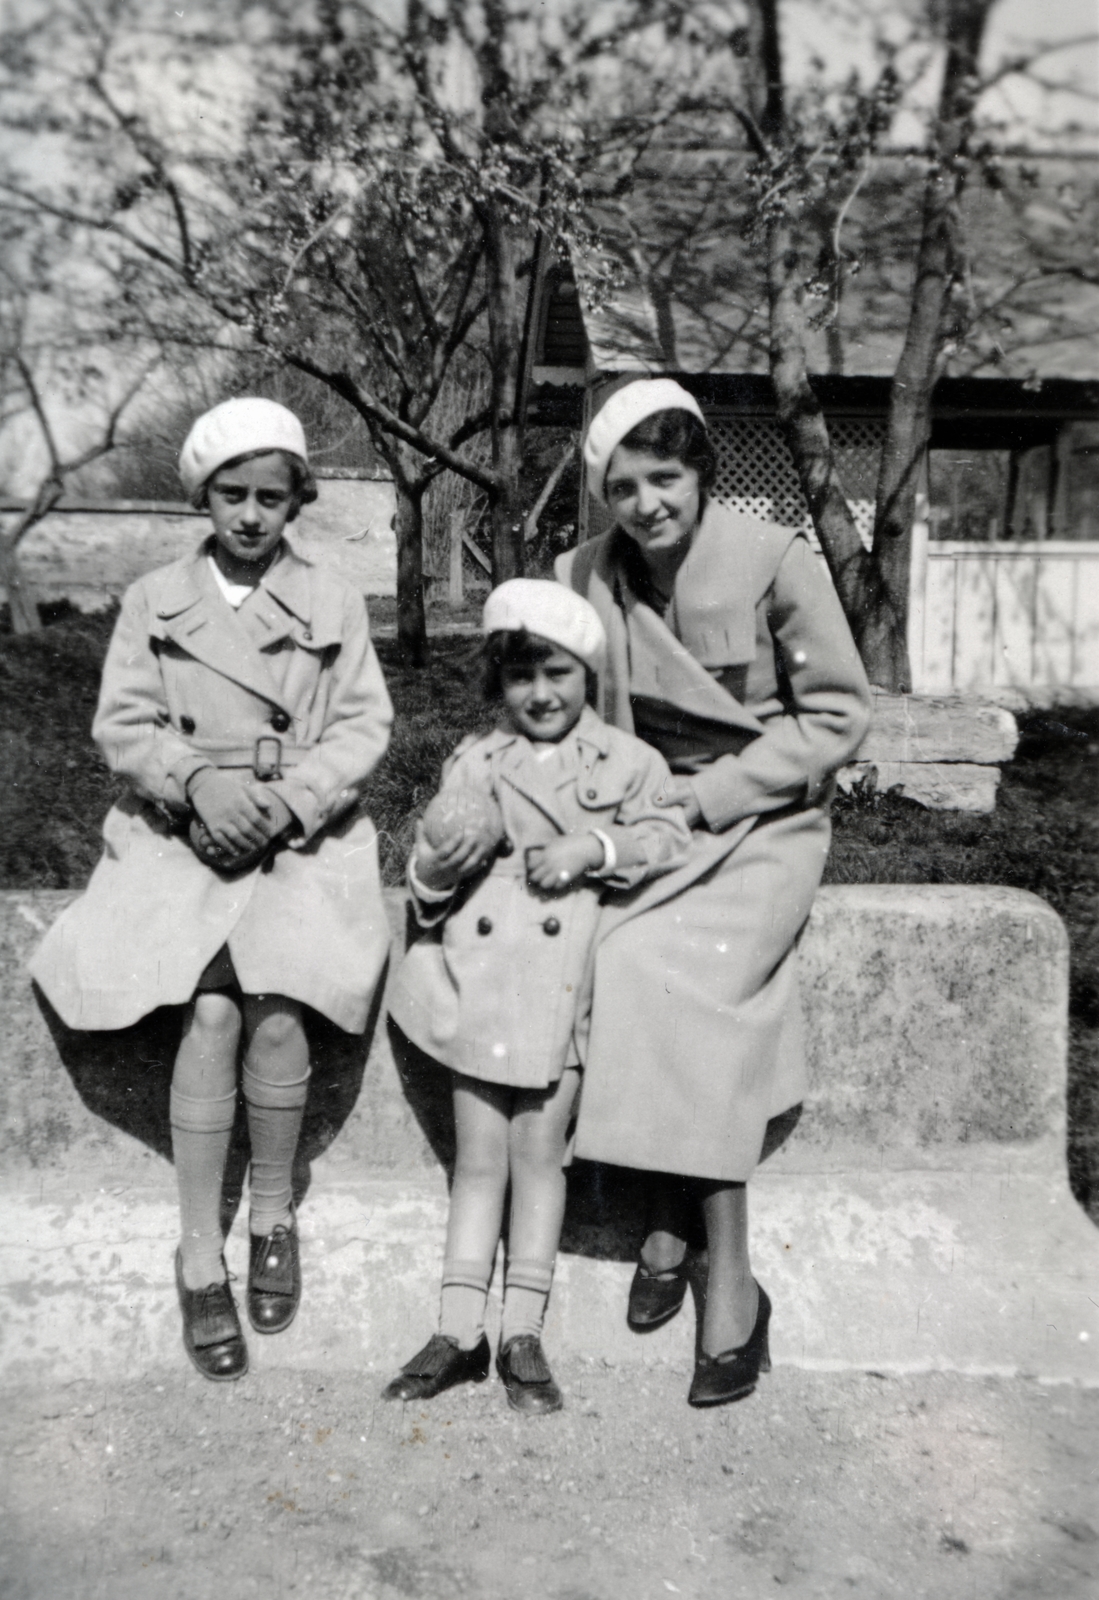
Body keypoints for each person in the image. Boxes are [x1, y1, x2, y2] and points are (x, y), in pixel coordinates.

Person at [30, 398, 393, 1381]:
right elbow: (123, 724)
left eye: (270, 497)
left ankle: (271, 1209)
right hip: (181, 831)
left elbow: (360, 728)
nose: (249, 515)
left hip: (296, 834)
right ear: (202, 496)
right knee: (211, 1013)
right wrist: (195, 783)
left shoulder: (334, 600)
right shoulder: (155, 598)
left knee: (279, 1008)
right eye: (231, 494)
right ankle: (199, 1249)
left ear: (297, 502)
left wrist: (293, 800)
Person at [557, 378, 872, 1407]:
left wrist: (716, 797)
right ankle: (664, 1213)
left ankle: (725, 1271)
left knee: (688, 974)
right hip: (649, 822)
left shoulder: (771, 557)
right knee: (594, 952)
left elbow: (833, 718)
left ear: (703, 473)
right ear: (602, 491)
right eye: (627, 484)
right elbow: (564, 724)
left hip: (764, 818)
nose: (649, 502)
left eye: (668, 476)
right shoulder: (581, 576)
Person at [384, 579, 690, 1414]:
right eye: (520, 677)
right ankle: (456, 1331)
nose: (541, 694)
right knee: (476, 1161)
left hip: (564, 992)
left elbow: (669, 836)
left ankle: (522, 1329)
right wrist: (435, 866)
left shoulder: (627, 762)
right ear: (498, 684)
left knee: (538, 1159)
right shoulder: (474, 760)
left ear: (586, 672)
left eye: (557, 672)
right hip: (479, 984)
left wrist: (592, 847)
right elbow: (428, 881)